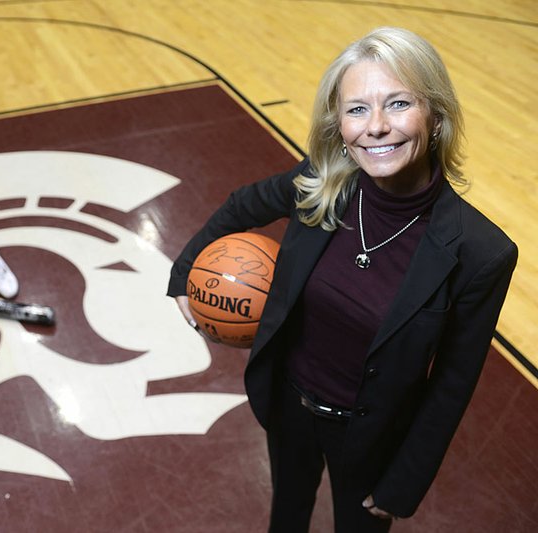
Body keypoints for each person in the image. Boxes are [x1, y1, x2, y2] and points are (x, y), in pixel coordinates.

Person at [167, 27, 517, 533]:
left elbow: (452, 384)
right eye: (356, 109)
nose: (375, 126)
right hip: (288, 404)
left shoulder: (480, 252)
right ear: (339, 123)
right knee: (286, 514)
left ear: (436, 117)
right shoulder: (322, 185)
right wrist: (183, 275)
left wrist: (406, 482)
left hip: (372, 435)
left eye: (398, 104)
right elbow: (242, 205)